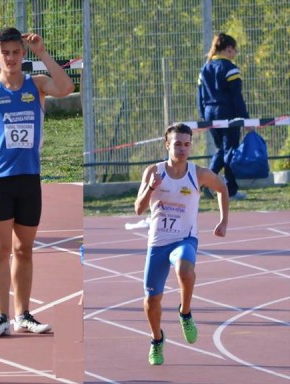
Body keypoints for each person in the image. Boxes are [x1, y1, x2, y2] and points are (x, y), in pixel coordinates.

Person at [0, 27, 74, 337]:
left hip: (29, 179)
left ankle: (24, 314)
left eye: (16, 52)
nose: (10, 57)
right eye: (5, 53)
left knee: (24, 250)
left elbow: (66, 87)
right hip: (0, 180)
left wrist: (43, 53)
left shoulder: (37, 85)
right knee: (0, 250)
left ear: (23, 54)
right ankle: (1, 316)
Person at [134, 123, 229, 365]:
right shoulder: (153, 172)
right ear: (167, 145)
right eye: (177, 144)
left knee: (185, 269)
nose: (182, 148)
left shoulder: (198, 174)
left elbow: (222, 188)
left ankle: (185, 312)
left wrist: (223, 221)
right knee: (152, 300)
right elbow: (138, 209)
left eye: (187, 144)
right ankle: (157, 340)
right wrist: (151, 187)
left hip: (184, 239)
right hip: (157, 243)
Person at [197, 32, 249, 200]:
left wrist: (203, 117)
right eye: (235, 50)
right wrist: (245, 118)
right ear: (228, 49)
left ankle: (205, 182)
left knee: (223, 149)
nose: (235, 54)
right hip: (227, 113)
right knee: (230, 150)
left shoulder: (205, 68)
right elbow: (236, 97)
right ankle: (231, 190)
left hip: (209, 113)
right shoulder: (230, 68)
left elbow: (200, 96)